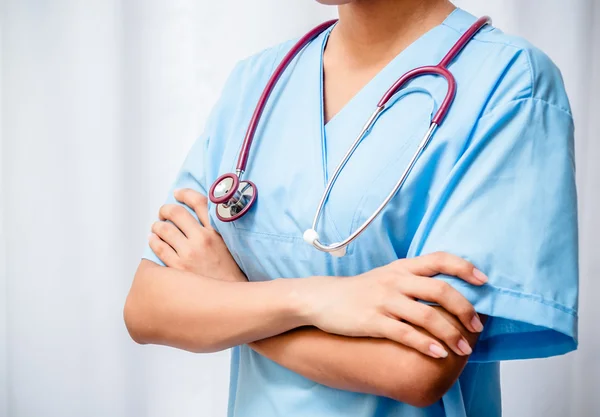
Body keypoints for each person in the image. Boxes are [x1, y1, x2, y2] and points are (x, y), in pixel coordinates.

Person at [124, 0, 579, 416]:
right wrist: (317, 300)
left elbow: (416, 370)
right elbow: (149, 308)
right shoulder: (259, 81)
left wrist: (232, 299)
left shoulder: (509, 82)